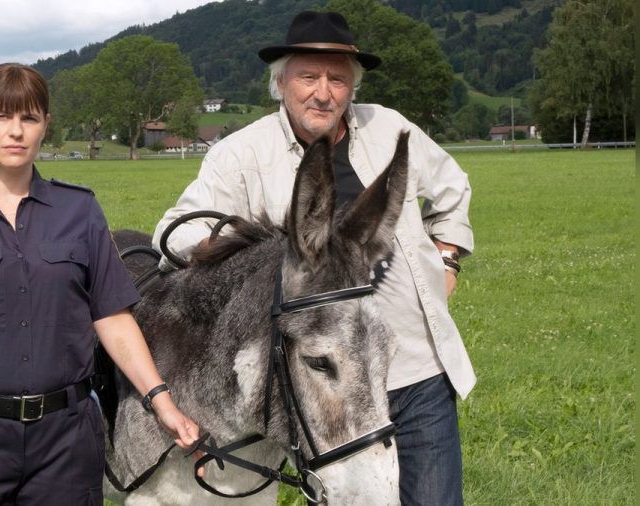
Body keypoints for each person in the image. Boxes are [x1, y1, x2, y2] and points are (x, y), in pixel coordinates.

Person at [153, 11, 475, 506]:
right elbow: (176, 232)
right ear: (280, 83)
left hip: (413, 365)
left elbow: (453, 189)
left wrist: (448, 259)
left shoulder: (389, 129)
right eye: (308, 76)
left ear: (352, 88)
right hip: (322, 379)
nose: (323, 92)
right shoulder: (241, 154)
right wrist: (256, 258)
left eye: (337, 79)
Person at [0, 63, 199, 506]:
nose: (16, 131)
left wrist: (162, 402)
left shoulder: (80, 211)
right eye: (2, 116)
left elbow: (112, 317)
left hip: (66, 443)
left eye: (29, 118)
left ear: (45, 127)